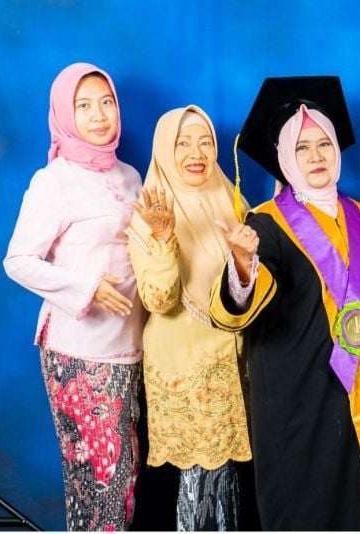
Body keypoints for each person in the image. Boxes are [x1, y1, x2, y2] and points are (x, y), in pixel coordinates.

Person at [208, 76, 360, 531]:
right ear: (284, 158)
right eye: (302, 148)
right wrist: (242, 265)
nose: (316, 157)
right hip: (301, 394)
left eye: (323, 145)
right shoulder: (268, 223)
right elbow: (243, 304)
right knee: (311, 505)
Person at [3, 62, 144, 530]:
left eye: (106, 102)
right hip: (79, 354)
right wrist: (86, 288)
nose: (99, 115)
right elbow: (18, 260)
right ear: (66, 114)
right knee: (99, 482)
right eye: (84, 106)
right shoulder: (55, 180)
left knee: (124, 482)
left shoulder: (130, 176)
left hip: (131, 350)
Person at [125, 105, 252, 531]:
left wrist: (246, 259)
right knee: (190, 487)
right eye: (183, 143)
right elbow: (159, 299)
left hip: (232, 367)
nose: (196, 153)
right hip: (184, 369)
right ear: (165, 149)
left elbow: (254, 285)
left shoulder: (232, 198)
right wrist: (163, 241)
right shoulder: (149, 212)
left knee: (228, 484)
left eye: (205, 142)